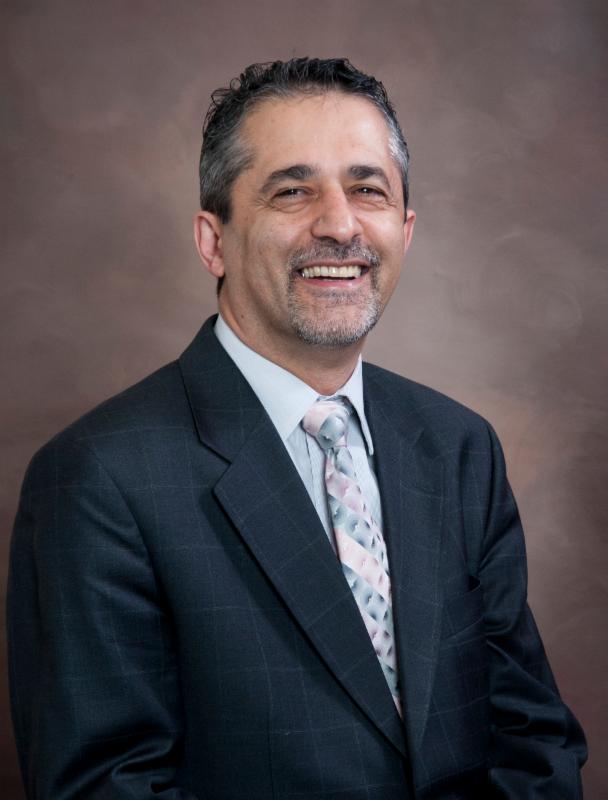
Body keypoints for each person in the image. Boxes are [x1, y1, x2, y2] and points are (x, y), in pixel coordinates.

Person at [7, 57, 586, 799]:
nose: (340, 224)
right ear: (213, 241)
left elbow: (533, 740)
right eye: (292, 190)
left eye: (368, 189)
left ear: (405, 231)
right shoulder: (98, 478)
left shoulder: (458, 447)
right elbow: (105, 786)